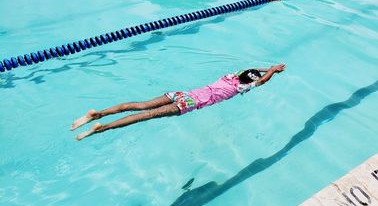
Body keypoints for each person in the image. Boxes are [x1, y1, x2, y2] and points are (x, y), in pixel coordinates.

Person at [71, 64, 286, 141]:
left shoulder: (230, 77)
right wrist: (273, 71)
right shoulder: (240, 87)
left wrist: (267, 67)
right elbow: (262, 81)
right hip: (189, 103)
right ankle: (102, 128)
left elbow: (250, 70)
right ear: (251, 81)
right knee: (144, 116)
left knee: (141, 105)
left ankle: (97, 114)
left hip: (181, 94)